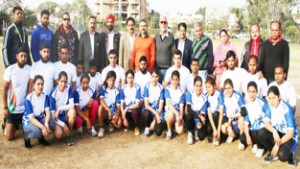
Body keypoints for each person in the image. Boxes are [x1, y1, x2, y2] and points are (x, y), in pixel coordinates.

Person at [259, 86, 297, 167]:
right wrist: (274, 131)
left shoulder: (287, 109)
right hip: (278, 132)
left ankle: (290, 156)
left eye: (274, 98)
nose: (271, 101)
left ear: (279, 96)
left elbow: (291, 133)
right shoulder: (268, 106)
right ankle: (273, 154)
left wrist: (277, 145)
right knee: (261, 133)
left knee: (283, 156)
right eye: (269, 98)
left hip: (289, 136)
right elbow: (266, 123)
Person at [3, 47, 31, 140]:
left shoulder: (29, 69)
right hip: (12, 109)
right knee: (9, 137)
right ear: (17, 56)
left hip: (24, 110)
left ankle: (19, 124)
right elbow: (4, 89)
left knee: (28, 134)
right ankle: (7, 123)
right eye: (21, 56)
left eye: (25, 56)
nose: (23, 58)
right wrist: (5, 108)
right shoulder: (10, 70)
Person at [23, 75, 54, 148]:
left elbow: (47, 112)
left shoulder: (45, 96)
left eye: (42, 84)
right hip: (29, 121)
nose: (40, 86)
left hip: (39, 118)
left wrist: (46, 123)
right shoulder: (28, 99)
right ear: (33, 85)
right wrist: (43, 127)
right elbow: (31, 118)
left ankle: (41, 138)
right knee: (37, 131)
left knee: (51, 123)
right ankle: (27, 136)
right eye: (38, 84)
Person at [239, 81, 266, 157]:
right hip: (253, 130)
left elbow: (267, 120)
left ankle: (261, 147)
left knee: (255, 132)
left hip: (262, 130)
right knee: (243, 138)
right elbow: (246, 123)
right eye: (250, 92)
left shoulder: (262, 103)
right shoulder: (247, 105)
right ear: (247, 92)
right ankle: (255, 143)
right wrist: (247, 136)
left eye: (253, 92)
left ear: (257, 92)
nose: (251, 94)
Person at [50, 71, 76, 146]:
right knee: (59, 135)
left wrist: (59, 109)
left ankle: (69, 135)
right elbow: (52, 116)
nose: (63, 84)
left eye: (65, 81)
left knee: (73, 111)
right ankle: (55, 130)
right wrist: (63, 125)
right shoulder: (53, 94)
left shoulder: (68, 87)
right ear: (58, 81)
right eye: (61, 81)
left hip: (64, 114)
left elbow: (72, 105)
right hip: (56, 118)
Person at [98, 71, 122, 138]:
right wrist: (108, 110)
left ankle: (110, 123)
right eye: (110, 80)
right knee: (100, 107)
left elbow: (118, 106)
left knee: (119, 123)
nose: (111, 82)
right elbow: (101, 101)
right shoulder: (103, 88)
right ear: (106, 80)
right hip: (106, 111)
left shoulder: (116, 91)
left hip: (113, 112)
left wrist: (117, 116)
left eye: (113, 80)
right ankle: (101, 127)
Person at [221, 79, 245, 145]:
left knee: (242, 119)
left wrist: (232, 116)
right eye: (226, 88)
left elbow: (244, 112)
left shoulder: (238, 96)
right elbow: (223, 115)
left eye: (229, 88)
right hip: (230, 122)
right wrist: (228, 127)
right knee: (223, 128)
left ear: (233, 88)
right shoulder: (223, 98)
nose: (228, 90)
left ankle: (242, 140)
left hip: (238, 120)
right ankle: (233, 135)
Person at [142, 68, 165, 137]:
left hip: (158, 112)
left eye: (156, 76)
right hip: (150, 110)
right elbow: (146, 105)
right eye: (153, 76)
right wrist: (155, 114)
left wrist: (155, 120)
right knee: (146, 113)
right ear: (150, 77)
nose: (154, 79)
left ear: (158, 77)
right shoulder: (147, 87)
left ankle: (152, 126)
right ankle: (147, 127)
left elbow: (160, 108)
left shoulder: (161, 89)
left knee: (158, 132)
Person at [185, 76, 208, 144]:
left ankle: (196, 130)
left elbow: (202, 114)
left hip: (198, 120)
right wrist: (199, 116)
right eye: (197, 86)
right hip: (191, 118)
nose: (198, 88)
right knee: (188, 115)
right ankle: (190, 133)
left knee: (201, 137)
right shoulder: (189, 93)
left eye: (200, 86)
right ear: (193, 86)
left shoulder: (204, 99)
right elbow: (189, 109)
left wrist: (200, 122)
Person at [164, 70, 185, 140]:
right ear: (171, 80)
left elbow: (181, 108)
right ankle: (169, 130)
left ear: (179, 80)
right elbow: (169, 104)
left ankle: (173, 126)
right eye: (173, 80)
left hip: (177, 114)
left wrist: (180, 117)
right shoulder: (168, 89)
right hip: (169, 113)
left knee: (180, 131)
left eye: (176, 80)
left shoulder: (181, 92)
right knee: (171, 114)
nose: (175, 82)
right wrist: (177, 113)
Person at [120, 70, 141, 136]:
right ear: (126, 79)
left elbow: (137, 105)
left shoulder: (137, 88)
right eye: (128, 78)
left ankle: (136, 126)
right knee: (124, 124)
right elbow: (122, 104)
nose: (130, 79)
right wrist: (124, 117)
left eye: (131, 77)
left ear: (134, 78)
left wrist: (127, 108)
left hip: (134, 110)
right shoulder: (123, 88)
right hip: (126, 112)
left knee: (134, 111)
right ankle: (127, 124)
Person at [154, 16, 175, 82]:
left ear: (167, 24)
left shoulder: (171, 37)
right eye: (162, 22)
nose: (163, 24)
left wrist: (172, 68)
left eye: (165, 22)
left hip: (167, 70)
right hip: (157, 69)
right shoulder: (156, 37)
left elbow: (174, 53)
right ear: (159, 24)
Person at [205, 76, 224, 146]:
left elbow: (221, 113)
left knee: (216, 114)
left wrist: (218, 130)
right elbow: (209, 114)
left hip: (219, 117)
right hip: (211, 118)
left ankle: (218, 136)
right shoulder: (206, 96)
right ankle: (213, 134)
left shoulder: (219, 94)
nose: (208, 89)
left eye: (209, 87)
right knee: (208, 129)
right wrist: (214, 129)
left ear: (214, 86)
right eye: (206, 87)